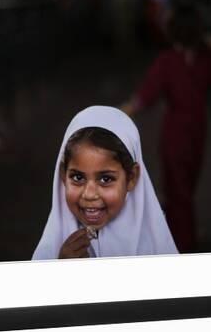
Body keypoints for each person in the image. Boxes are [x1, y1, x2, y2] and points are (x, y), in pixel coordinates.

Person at [122, 4, 211, 253]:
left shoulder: (167, 62)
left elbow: (141, 100)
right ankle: (181, 234)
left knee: (179, 193)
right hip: (197, 136)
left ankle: (182, 244)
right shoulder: (206, 61)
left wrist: (112, 114)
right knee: (183, 192)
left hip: (175, 137)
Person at [32, 106, 178, 260]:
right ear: (63, 175)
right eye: (77, 178)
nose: (89, 194)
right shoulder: (52, 251)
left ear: (132, 177)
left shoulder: (156, 250)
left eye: (105, 179)